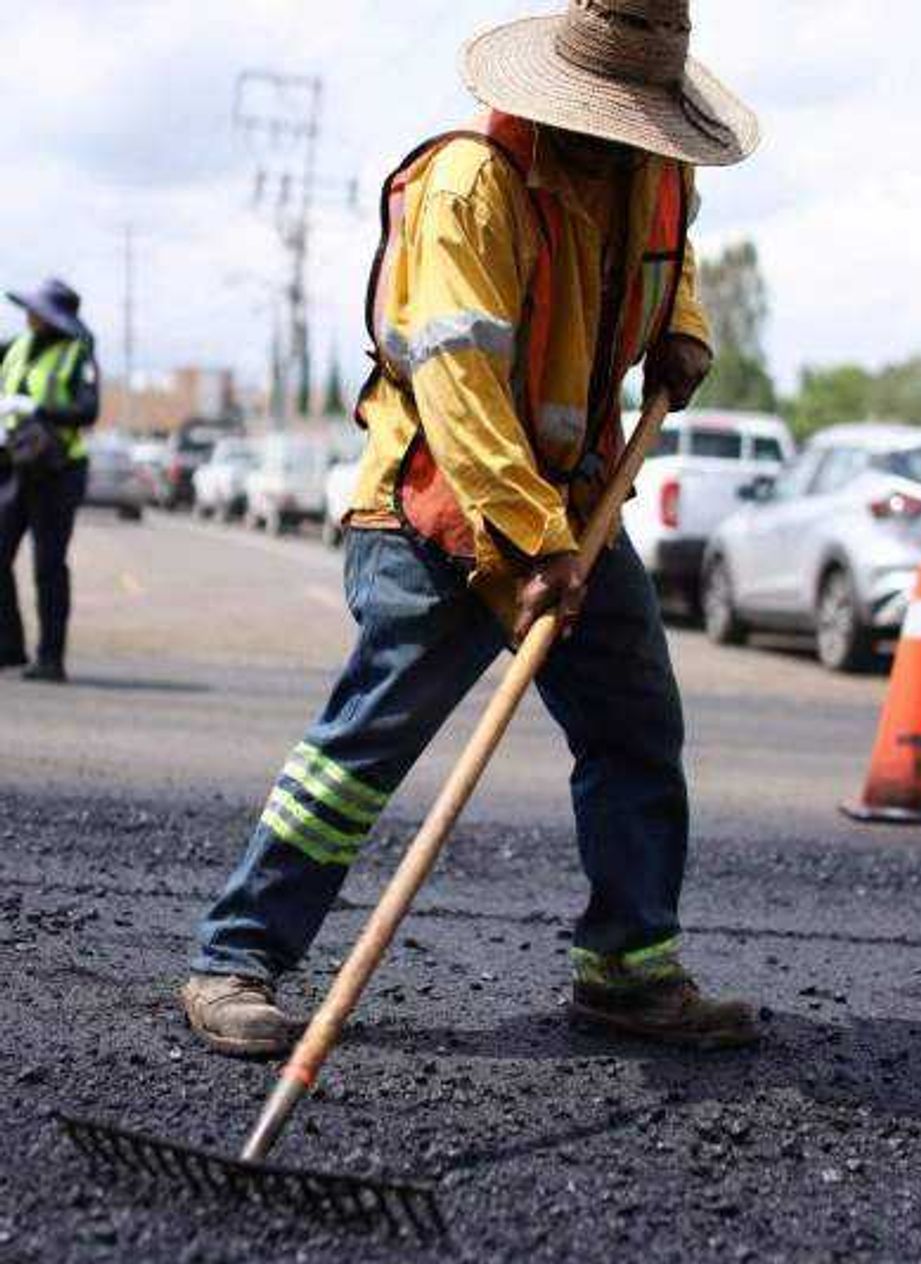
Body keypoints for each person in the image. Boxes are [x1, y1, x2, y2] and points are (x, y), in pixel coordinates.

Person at [183, 0, 762, 1056]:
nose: (626, 142)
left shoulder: (655, 176)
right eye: (611, 121)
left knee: (635, 727)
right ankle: (235, 957)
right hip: (438, 506)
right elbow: (458, 387)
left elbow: (668, 268)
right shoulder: (470, 187)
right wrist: (534, 542)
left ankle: (627, 968)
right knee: (366, 745)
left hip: (571, 504)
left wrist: (681, 333)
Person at [0, 278, 99, 682]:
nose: (30, 316)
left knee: (48, 564)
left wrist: (38, 409)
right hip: (14, 464)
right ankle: (9, 646)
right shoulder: (15, 346)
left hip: (58, 471)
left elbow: (88, 410)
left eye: (38, 311)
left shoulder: (78, 355)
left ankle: (51, 658)